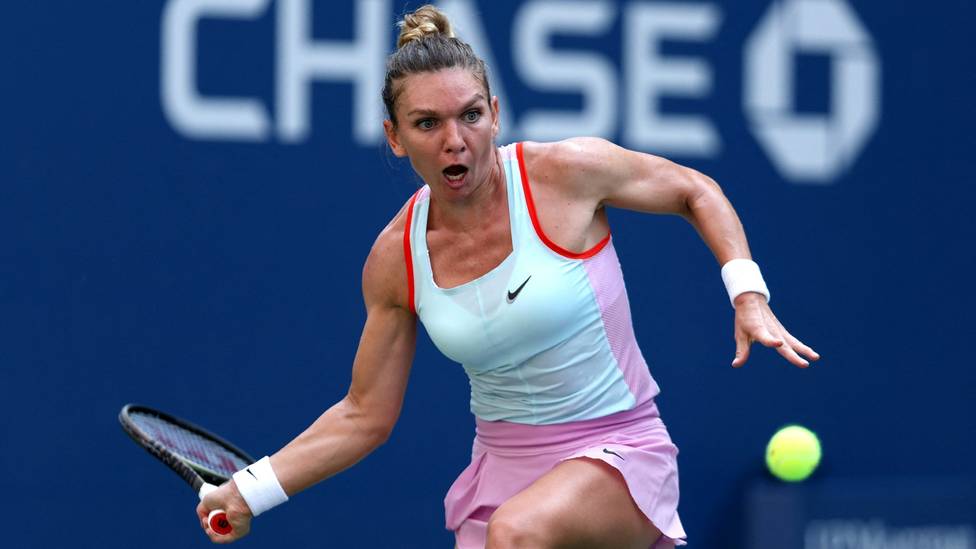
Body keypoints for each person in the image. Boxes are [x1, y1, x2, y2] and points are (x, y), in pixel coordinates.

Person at [196, 5, 819, 548]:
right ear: (395, 137)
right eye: (427, 124)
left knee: (519, 532)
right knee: (514, 528)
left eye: (470, 115)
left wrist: (748, 293)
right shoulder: (395, 258)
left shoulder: (566, 174)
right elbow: (364, 415)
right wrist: (250, 491)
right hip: (500, 473)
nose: (455, 140)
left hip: (619, 454)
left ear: (495, 114)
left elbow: (694, 191)